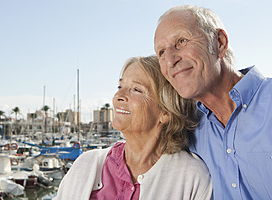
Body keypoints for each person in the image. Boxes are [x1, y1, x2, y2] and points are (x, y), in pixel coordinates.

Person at [154, 5, 272, 199]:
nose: (170, 60)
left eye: (181, 41)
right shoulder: (186, 131)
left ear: (220, 43)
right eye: (161, 52)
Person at [54, 55, 212, 199]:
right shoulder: (86, 164)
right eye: (119, 87)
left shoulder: (192, 177)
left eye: (136, 89)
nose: (118, 96)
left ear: (166, 112)